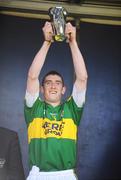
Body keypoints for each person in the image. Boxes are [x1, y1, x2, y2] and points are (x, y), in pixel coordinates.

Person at [24, 21, 88, 180]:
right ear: (42, 89)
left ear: (63, 89)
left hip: (66, 174)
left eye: (57, 83)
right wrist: (47, 42)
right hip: (38, 174)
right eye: (48, 83)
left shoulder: (72, 109)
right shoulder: (34, 108)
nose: (53, 86)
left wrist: (72, 42)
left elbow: (82, 78)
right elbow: (32, 76)